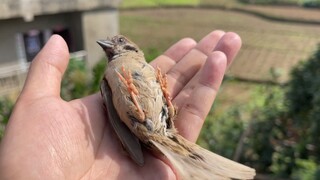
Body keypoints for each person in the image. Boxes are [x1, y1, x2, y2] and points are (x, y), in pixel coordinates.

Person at [0, 30, 242, 179]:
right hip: (143, 125)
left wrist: (166, 107)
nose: (109, 44)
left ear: (131, 48)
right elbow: (117, 118)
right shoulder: (109, 77)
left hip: (161, 123)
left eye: (118, 41)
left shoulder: (139, 63)